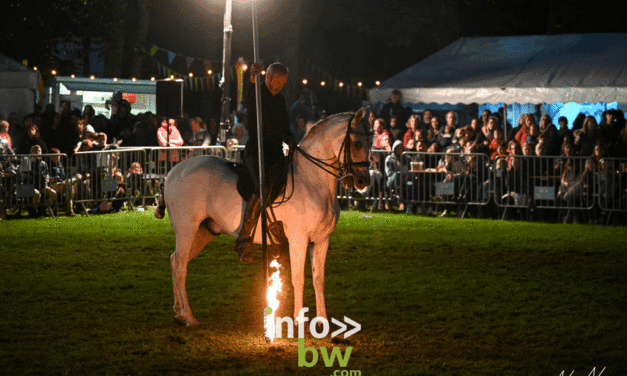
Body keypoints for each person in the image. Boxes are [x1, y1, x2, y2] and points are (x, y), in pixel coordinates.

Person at [235, 62, 296, 262]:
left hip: (275, 152)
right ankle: (244, 238)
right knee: (262, 186)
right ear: (269, 77)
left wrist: (290, 137)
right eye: (277, 80)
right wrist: (253, 78)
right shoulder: (257, 93)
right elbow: (249, 97)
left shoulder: (280, 100)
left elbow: (284, 124)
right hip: (257, 151)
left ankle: (277, 232)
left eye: (283, 82)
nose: (279, 85)